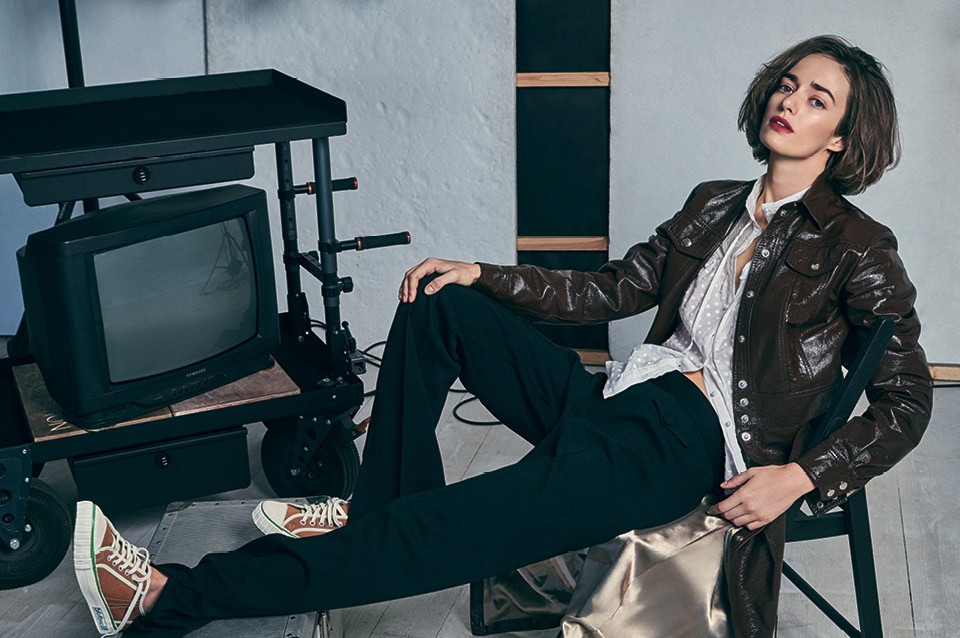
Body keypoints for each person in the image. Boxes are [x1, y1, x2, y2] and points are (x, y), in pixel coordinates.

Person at [72, 35, 931, 638]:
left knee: (449, 528)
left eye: (816, 99)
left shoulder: (859, 247)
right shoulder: (716, 205)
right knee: (438, 302)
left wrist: (800, 476)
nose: (789, 101)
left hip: (678, 443)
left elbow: (907, 399)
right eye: (788, 84)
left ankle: (170, 598)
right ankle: (374, 513)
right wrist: (481, 274)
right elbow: (611, 289)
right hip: (620, 396)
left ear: (842, 138)